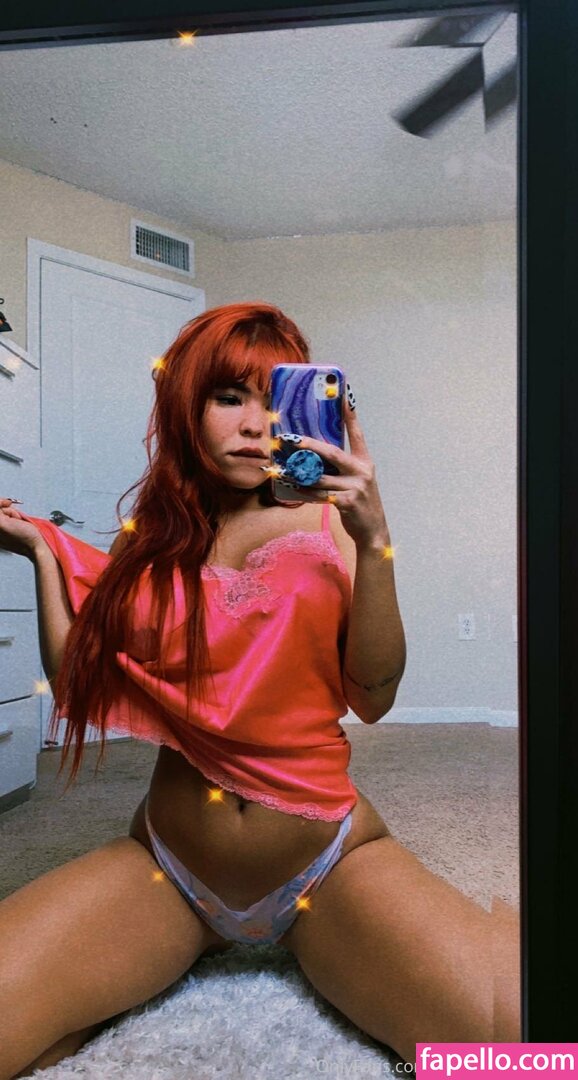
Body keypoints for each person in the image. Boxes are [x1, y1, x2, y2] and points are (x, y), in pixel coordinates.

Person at [0, 302, 519, 1078]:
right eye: (228, 397)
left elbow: (374, 695)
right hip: (169, 870)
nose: (255, 424)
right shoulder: (153, 545)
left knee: (523, 1050)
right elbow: (78, 679)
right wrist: (43, 554)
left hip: (328, 864)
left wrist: (375, 540)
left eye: (275, 400)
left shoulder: (330, 521)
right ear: (188, 405)